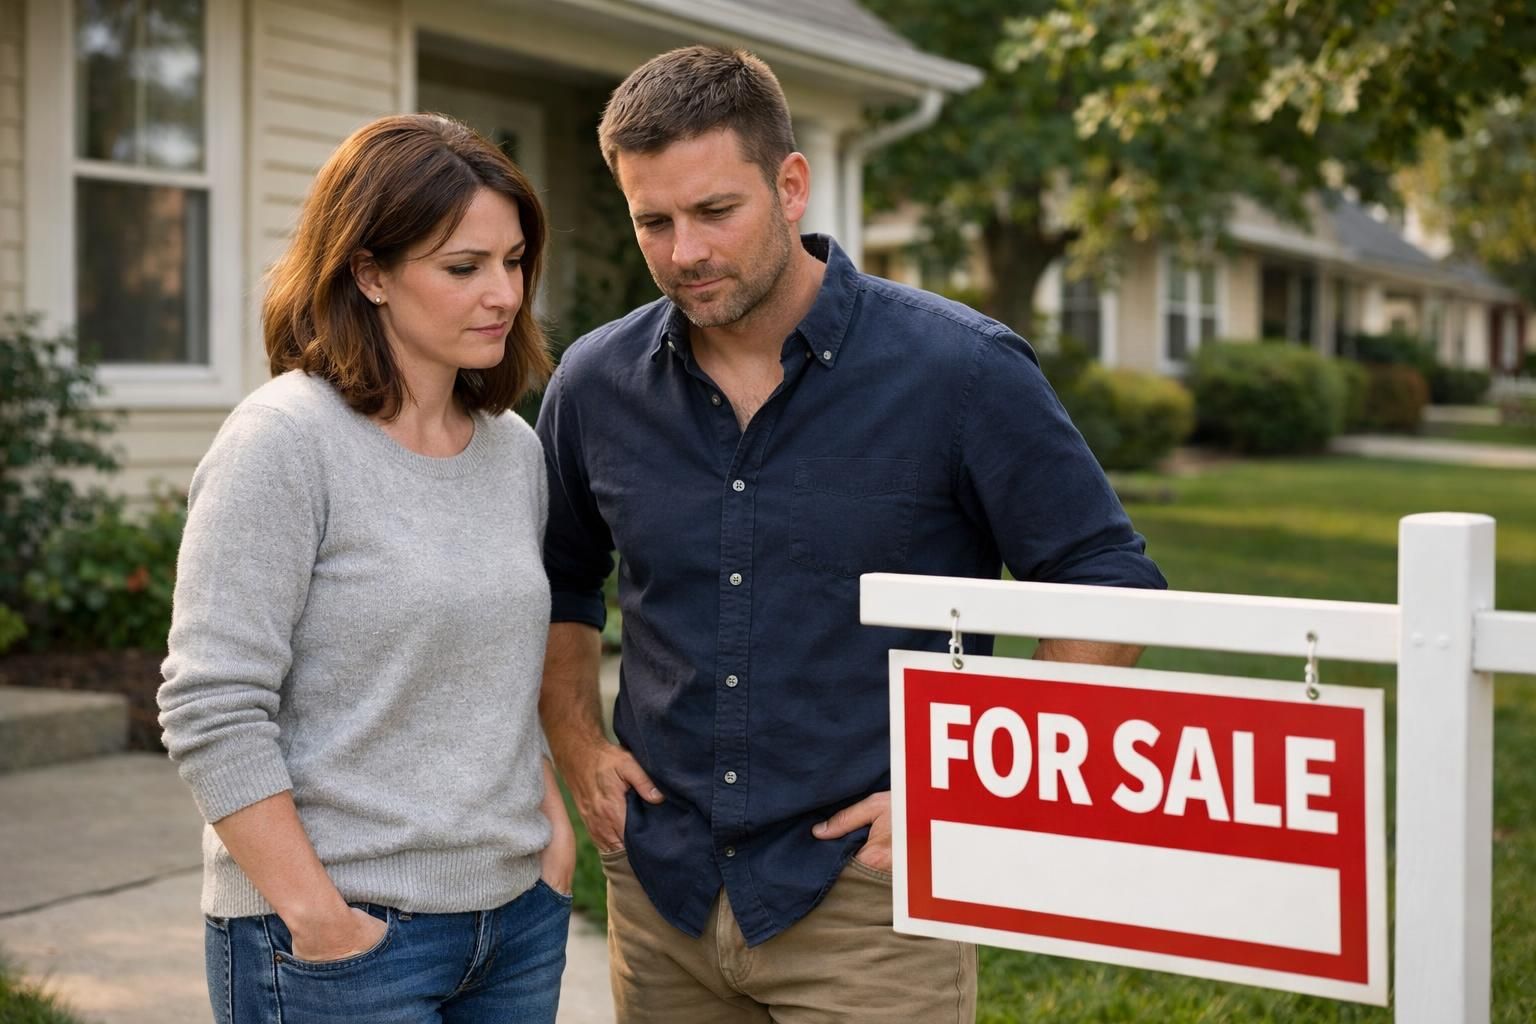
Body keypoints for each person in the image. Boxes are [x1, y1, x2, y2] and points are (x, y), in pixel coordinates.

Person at [537, 46, 1168, 1024]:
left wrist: (969, 789)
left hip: (872, 894)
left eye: (715, 212)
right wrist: (577, 743)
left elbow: (1105, 577)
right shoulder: (594, 382)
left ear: (792, 186)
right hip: (662, 887)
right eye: (652, 221)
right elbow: (561, 578)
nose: (685, 251)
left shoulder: (961, 370)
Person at [158, 113, 574, 1024]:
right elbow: (210, 704)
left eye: (513, 262)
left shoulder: (512, 452)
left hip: (516, 925)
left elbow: (498, 669)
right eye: (463, 268)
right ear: (369, 272)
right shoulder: (282, 444)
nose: (502, 292)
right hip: (343, 944)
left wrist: (551, 841)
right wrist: (316, 914)